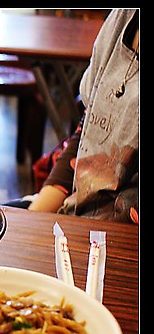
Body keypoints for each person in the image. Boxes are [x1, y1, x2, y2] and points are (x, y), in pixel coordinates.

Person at [26, 9, 138, 224]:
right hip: (76, 214)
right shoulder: (122, 18)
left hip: (117, 239)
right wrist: (32, 220)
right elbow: (88, 130)